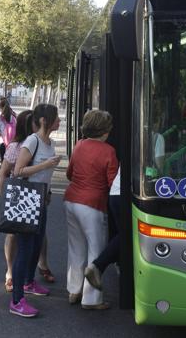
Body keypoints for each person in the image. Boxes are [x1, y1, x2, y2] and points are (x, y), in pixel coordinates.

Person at [9, 103, 62, 318]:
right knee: (25, 248)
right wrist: (46, 165)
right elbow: (18, 171)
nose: (59, 120)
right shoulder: (33, 141)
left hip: (41, 200)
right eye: (56, 117)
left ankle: (29, 283)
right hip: (27, 200)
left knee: (36, 244)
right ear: (43, 121)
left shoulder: (49, 142)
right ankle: (17, 300)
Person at [64, 109, 118, 310]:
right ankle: (91, 299)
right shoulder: (108, 151)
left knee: (75, 248)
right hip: (93, 205)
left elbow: (70, 174)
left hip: (71, 200)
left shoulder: (79, 145)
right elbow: (113, 183)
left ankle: (74, 290)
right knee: (96, 250)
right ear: (104, 130)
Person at [0, 110, 33, 292]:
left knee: (36, 233)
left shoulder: (39, 144)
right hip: (17, 194)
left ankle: (38, 267)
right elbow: (4, 173)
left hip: (35, 193)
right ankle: (10, 272)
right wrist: (1, 199)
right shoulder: (15, 146)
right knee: (12, 234)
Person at [84, 167, 121, 293]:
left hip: (116, 193)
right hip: (122, 193)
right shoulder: (109, 153)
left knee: (122, 234)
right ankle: (98, 266)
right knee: (127, 235)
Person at [0, 97, 17, 162]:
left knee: (4, 165)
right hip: (13, 144)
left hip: (3, 144)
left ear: (0, 107)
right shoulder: (14, 116)